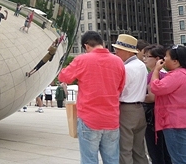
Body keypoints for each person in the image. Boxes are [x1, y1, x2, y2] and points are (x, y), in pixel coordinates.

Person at [59, 31, 126, 164]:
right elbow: (120, 87)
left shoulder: (82, 59)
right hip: (111, 119)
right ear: (102, 43)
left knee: (89, 159)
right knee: (112, 159)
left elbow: (64, 77)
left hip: (89, 118)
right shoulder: (118, 61)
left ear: (86, 46)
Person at [113, 34, 148, 164]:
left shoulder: (126, 68)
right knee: (139, 150)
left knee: (125, 149)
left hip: (126, 109)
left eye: (118, 49)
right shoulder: (141, 65)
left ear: (127, 51)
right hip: (139, 109)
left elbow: (118, 90)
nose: (116, 52)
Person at [151, 45, 186, 164]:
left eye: (166, 56)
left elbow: (156, 87)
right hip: (181, 120)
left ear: (175, 61)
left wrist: (155, 70)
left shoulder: (177, 75)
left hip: (174, 122)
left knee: (178, 158)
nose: (164, 59)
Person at [142, 44, 172, 164]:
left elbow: (152, 97)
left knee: (155, 151)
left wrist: (137, 97)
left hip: (153, 116)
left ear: (157, 59)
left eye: (147, 56)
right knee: (165, 151)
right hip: (163, 116)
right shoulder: (166, 74)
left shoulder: (155, 75)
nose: (144, 59)